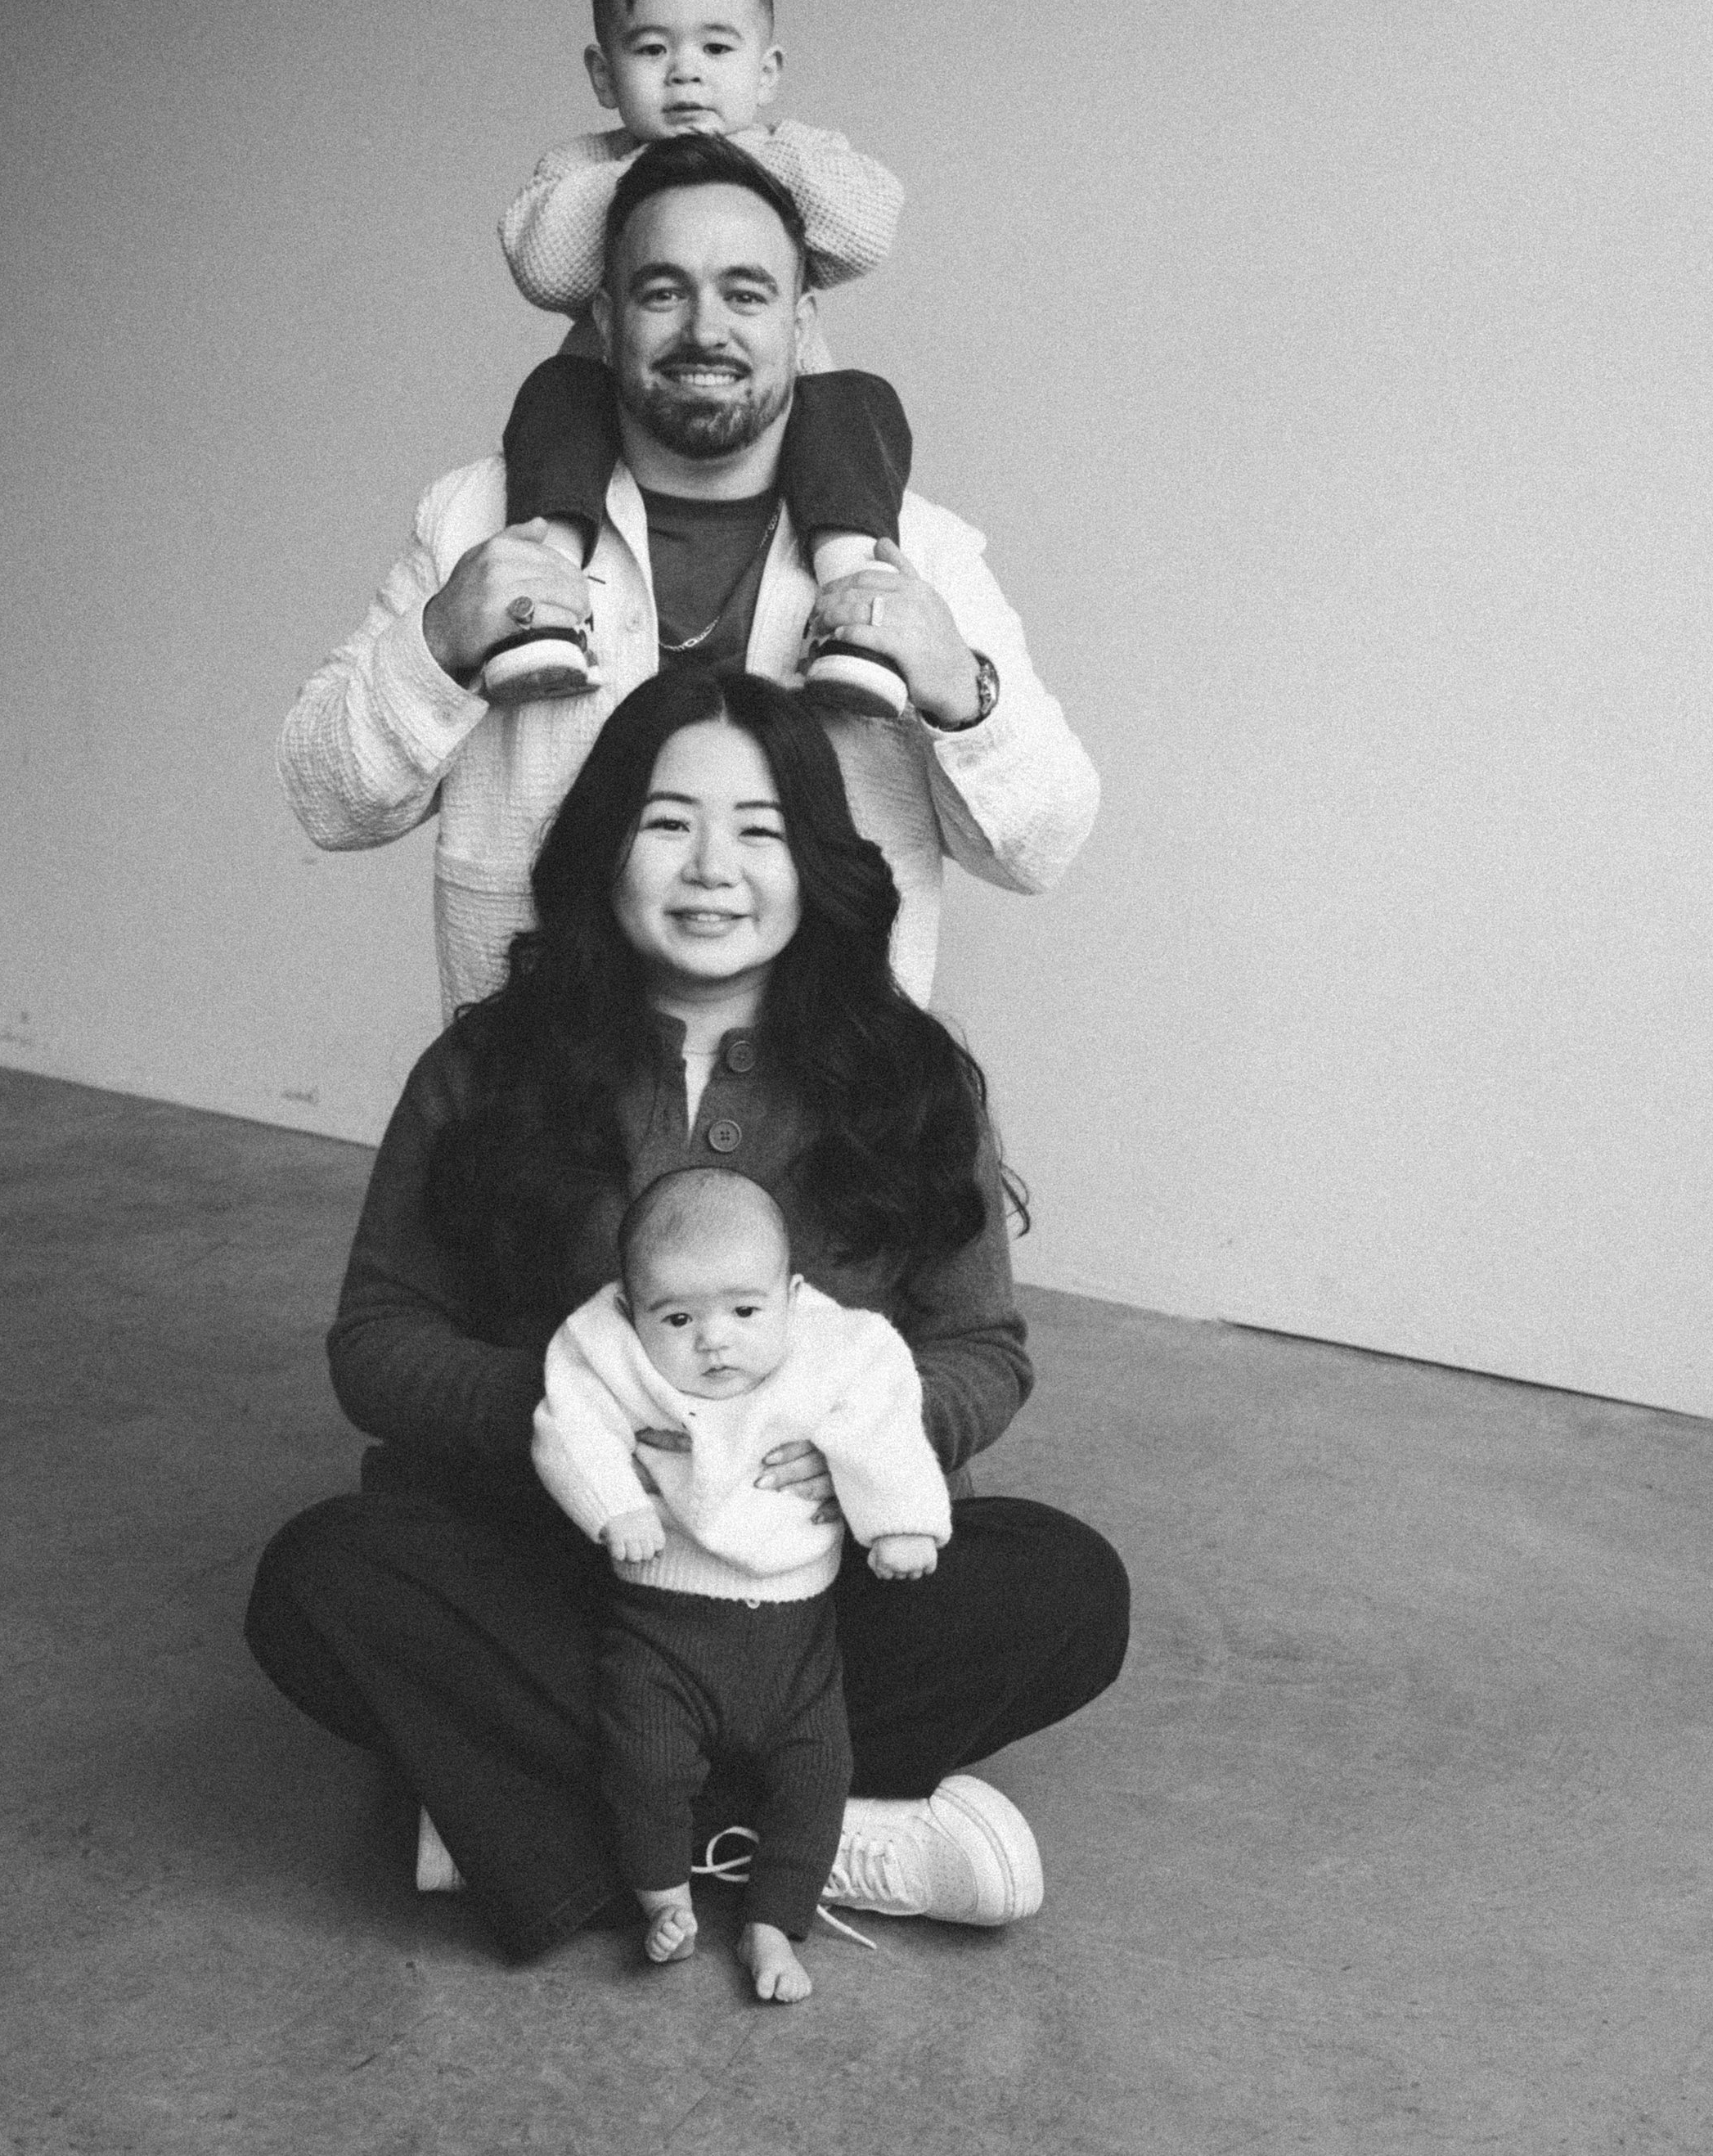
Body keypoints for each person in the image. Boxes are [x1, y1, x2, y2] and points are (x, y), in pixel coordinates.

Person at [245, 664, 1131, 1965]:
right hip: (570, 1568)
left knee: (1066, 1588)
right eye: (669, 821)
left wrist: (845, 1448)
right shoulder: (490, 1068)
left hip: (806, 1602)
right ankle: (803, 1836)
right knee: (319, 1584)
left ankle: (558, 1824)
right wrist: (577, 1424)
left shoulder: (909, 1077)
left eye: (760, 830)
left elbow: (983, 1351)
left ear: (816, 860)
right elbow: (377, 1340)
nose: (713, 866)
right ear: (607, 845)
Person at [278, 133, 1100, 1018]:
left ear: (801, 320)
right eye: (663, 292)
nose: (705, 329)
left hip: (834, 1111)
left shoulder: (918, 548)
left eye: (745, 294)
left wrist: (959, 688)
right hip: (538, 1097)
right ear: (604, 319)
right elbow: (328, 801)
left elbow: (1040, 848)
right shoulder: (473, 519)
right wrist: (438, 643)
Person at [533, 1167, 953, 2002]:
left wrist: (898, 1519)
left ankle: (774, 1921)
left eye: (744, 1310)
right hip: (661, 1623)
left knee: (818, 1769)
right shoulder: (603, 1346)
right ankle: (663, 1894)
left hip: (796, 1635)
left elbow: (883, 1423)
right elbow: (567, 1423)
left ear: (793, 1293)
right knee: (645, 1755)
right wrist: (613, 1504)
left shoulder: (838, 1345)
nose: (714, 1340)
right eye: (678, 1317)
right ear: (629, 1306)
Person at [492, 0, 914, 714]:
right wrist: (660, 169)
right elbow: (543, 268)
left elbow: (865, 233)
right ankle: (548, 584)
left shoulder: (791, 155)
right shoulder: (582, 167)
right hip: (620, 416)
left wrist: (749, 157)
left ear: (767, 71)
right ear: (602, 74)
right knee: (551, 401)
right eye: (650, 48)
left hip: (774, 418)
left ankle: (854, 595)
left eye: (716, 47)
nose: (685, 71)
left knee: (858, 408)